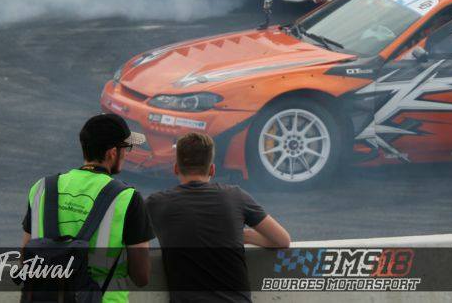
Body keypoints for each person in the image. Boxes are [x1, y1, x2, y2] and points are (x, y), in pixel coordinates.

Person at [23, 114, 152, 303]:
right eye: (126, 148)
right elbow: (141, 277)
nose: (126, 153)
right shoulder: (127, 198)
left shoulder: (41, 188)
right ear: (112, 153)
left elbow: (25, 258)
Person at [147, 132, 289, 303]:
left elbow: (132, 239)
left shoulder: (157, 203)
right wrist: (244, 236)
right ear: (212, 169)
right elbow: (282, 240)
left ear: (176, 168)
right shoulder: (236, 196)